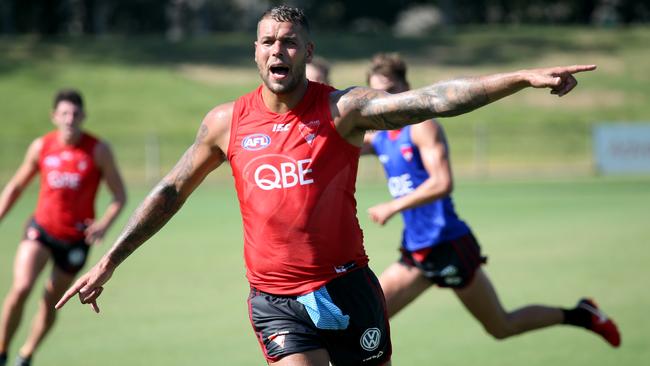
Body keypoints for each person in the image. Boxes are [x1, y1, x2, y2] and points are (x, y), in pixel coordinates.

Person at [55, 5, 596, 366]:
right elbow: (170, 191)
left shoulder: (343, 110)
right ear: (255, 51)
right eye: (268, 42)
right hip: (275, 301)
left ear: (308, 52)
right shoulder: (226, 122)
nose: (278, 52)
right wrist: (111, 259)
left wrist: (520, 77)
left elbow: (434, 99)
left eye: (290, 43)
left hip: (349, 289)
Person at [362, 53, 620, 348]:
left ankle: (581, 315)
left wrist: (394, 205)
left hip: (447, 243)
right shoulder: (380, 135)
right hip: (417, 249)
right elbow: (338, 137)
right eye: (380, 94)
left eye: (393, 91)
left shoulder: (422, 127)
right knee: (366, 321)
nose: (389, 100)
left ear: (408, 87)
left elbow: (442, 183)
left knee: (501, 325)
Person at [0, 89, 127, 366]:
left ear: (83, 116)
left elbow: (119, 195)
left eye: (75, 113)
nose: (70, 119)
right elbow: (15, 187)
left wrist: (104, 224)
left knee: (50, 300)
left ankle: (26, 354)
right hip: (41, 231)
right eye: (64, 113)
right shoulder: (41, 147)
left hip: (74, 241)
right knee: (21, 287)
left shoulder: (98, 150)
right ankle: (2, 350)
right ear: (54, 116)